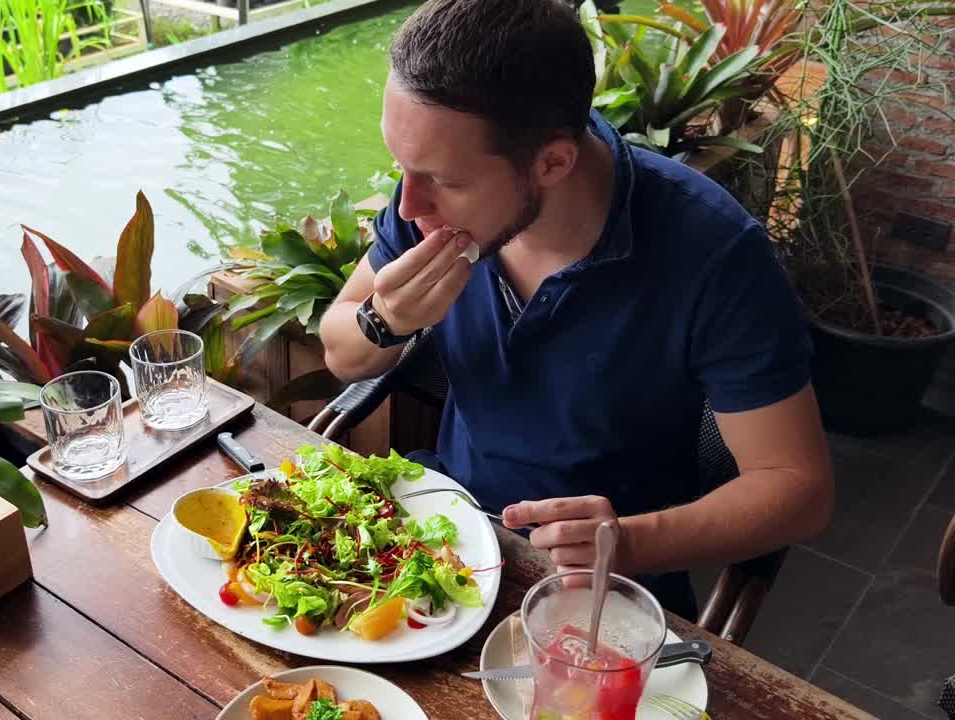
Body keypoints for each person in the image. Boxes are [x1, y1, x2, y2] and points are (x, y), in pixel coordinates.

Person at [318, 0, 834, 620]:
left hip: (600, 591)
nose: (408, 204)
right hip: (440, 532)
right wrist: (385, 321)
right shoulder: (426, 207)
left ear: (553, 162)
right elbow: (340, 351)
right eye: (400, 166)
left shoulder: (714, 254)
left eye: (443, 180)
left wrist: (630, 541)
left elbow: (799, 487)